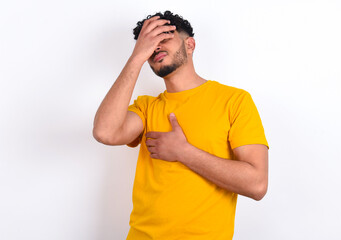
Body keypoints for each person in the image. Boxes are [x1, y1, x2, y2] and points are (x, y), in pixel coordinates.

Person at [93, 10, 269, 240]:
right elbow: (105, 132)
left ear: (190, 44)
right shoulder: (146, 108)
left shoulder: (234, 101)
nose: (155, 47)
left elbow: (257, 185)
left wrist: (184, 152)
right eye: (149, 44)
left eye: (163, 38)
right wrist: (136, 57)